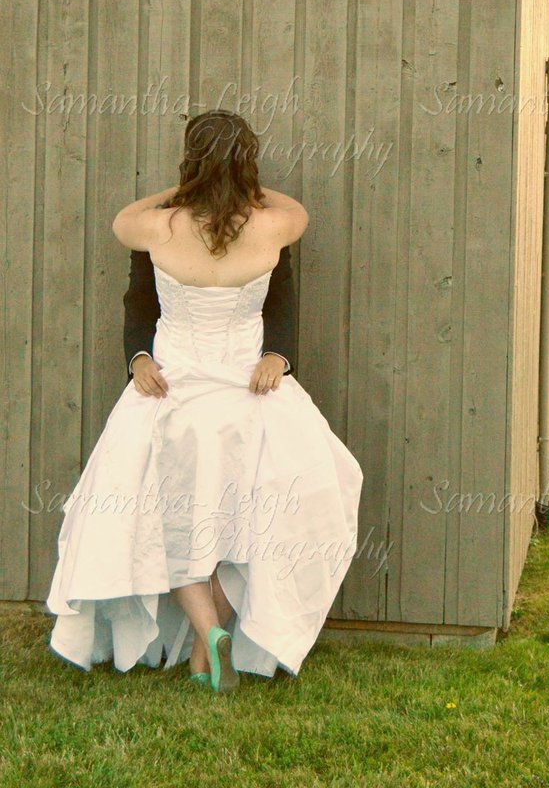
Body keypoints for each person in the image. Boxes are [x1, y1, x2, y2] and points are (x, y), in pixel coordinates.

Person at [45, 110, 363, 691]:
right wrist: (234, 176)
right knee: (246, 520)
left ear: (188, 161)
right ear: (250, 164)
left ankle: (204, 640)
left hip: (180, 394)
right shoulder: (274, 223)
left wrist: (191, 181)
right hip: (240, 394)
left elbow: (128, 228)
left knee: (164, 517)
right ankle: (209, 641)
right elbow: (289, 233)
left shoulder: (155, 228)